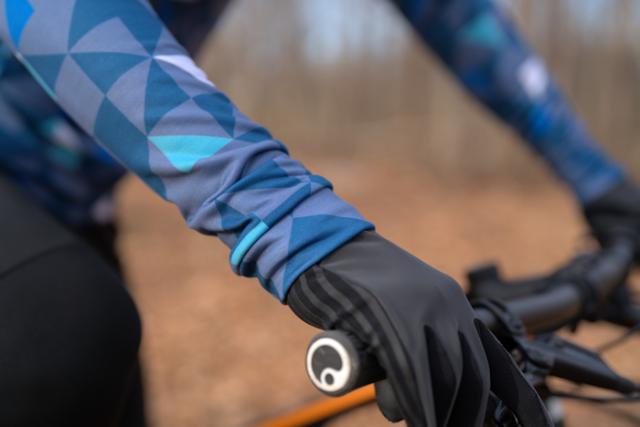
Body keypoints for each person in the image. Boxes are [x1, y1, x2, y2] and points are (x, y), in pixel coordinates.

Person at [0, 0, 637, 426]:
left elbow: (458, 17)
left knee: (91, 375)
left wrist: (601, 183)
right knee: (68, 332)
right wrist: (290, 221)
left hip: (69, 209)